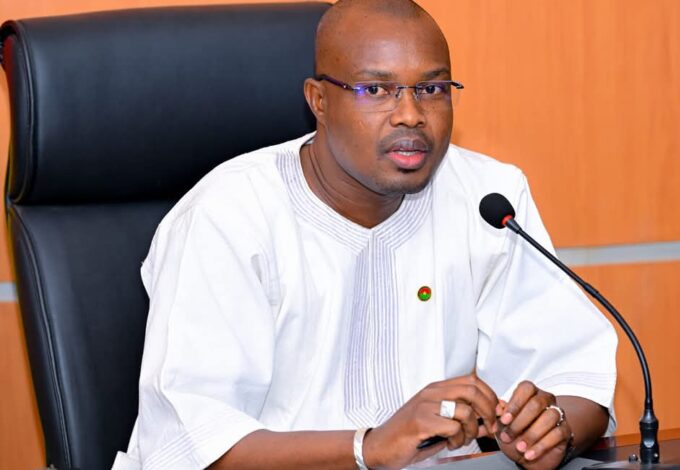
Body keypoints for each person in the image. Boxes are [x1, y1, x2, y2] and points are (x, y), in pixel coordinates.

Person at [113, 1, 617, 469]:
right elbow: (191, 445)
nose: (410, 114)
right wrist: (368, 447)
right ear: (319, 101)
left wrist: (551, 430)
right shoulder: (228, 215)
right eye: (376, 90)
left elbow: (577, 377)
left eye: (432, 89)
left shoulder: (487, 197)